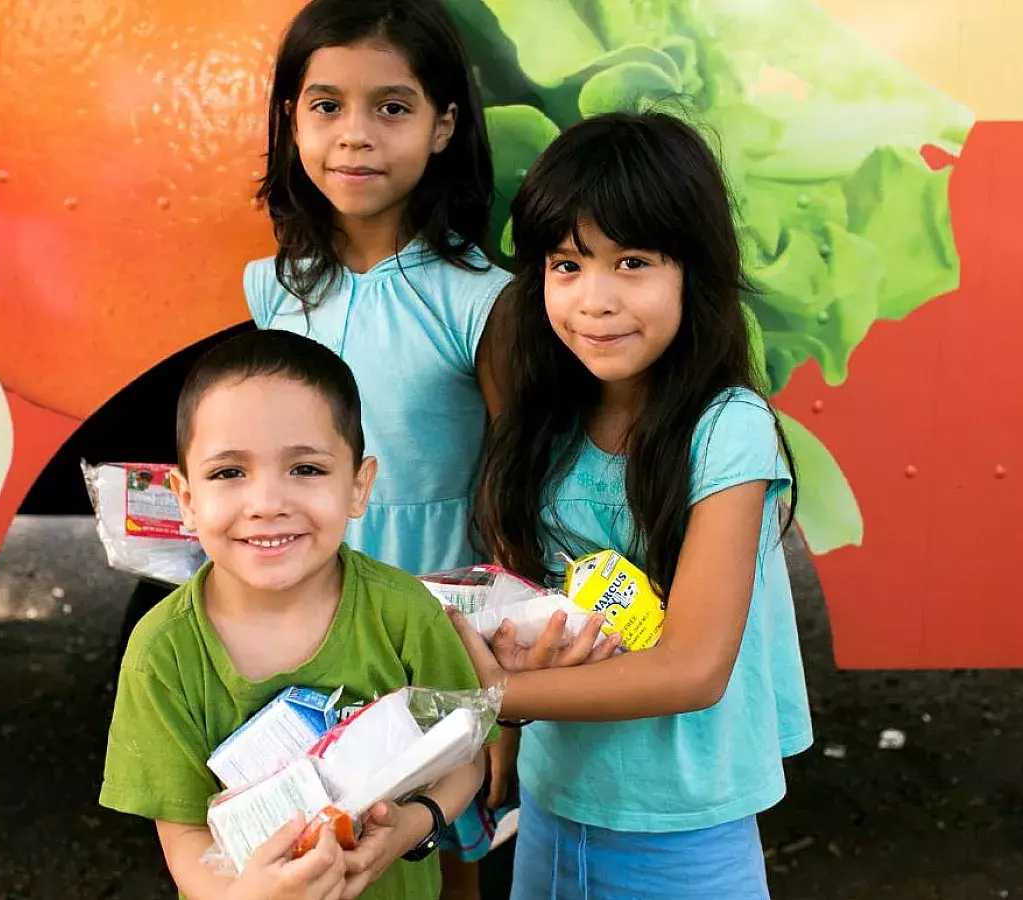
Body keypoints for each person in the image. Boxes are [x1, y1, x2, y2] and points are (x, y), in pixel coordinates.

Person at [451, 111, 815, 900]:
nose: (596, 299)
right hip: (554, 809)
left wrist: (489, 699)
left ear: (695, 272)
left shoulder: (728, 432)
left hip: (687, 833)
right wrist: (506, 730)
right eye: (568, 264)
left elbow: (693, 669)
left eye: (634, 262)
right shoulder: (545, 422)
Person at [243, 0, 516, 894]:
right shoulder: (272, 291)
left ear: (443, 125)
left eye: (391, 108)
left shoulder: (479, 301)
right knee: (308, 854)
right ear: (291, 120)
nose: (354, 136)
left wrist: (504, 705)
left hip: (436, 646)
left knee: (443, 858)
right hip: (299, 630)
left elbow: (516, 491)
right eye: (326, 106)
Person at [100, 329, 487, 900]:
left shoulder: (404, 614)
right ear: (185, 500)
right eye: (229, 473)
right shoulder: (163, 651)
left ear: (359, 487)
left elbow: (463, 758)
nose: (267, 503)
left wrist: (414, 825)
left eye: (305, 469)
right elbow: (183, 836)